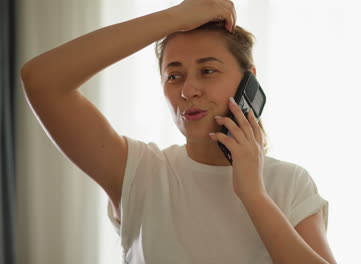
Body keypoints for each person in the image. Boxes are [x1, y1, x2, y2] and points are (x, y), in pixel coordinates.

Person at [20, 0, 337, 263]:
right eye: (174, 76)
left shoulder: (289, 183)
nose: (189, 90)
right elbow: (41, 81)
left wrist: (254, 195)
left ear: (249, 79)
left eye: (207, 70)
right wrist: (177, 16)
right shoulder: (140, 172)